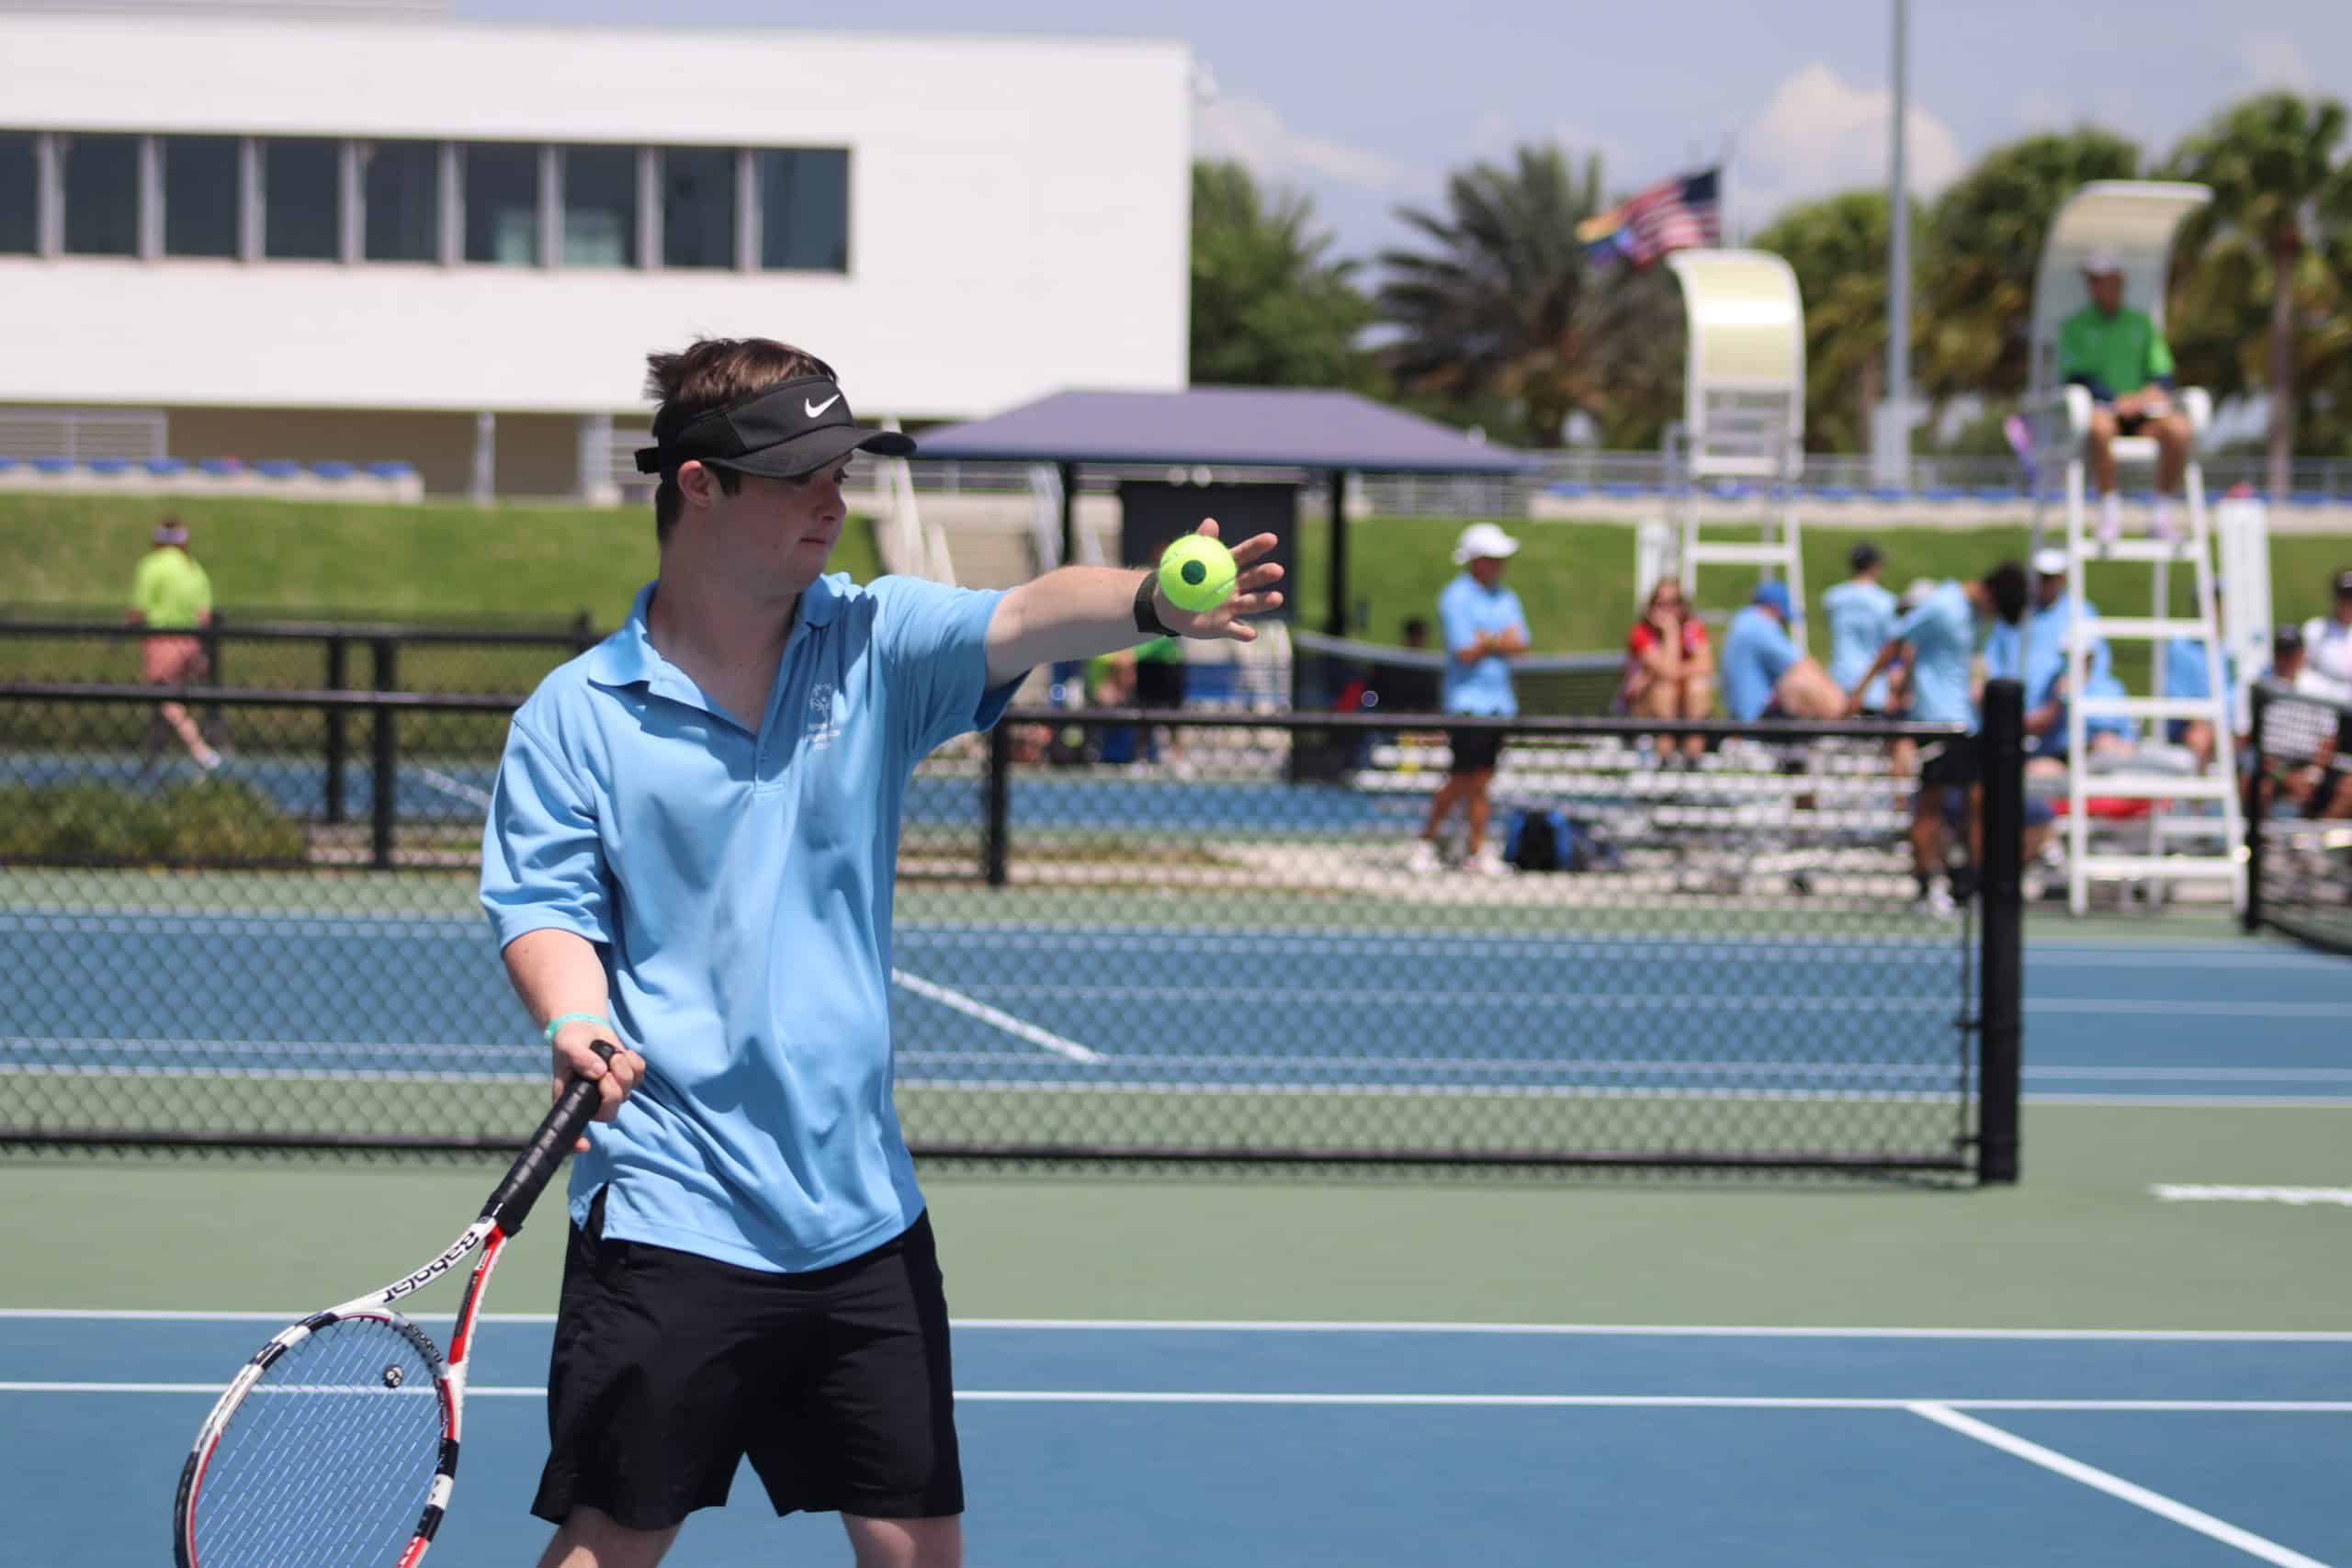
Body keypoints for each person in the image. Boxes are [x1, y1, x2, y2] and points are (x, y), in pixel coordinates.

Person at [480, 336, 1283, 1568]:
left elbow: (1023, 616)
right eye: (801, 472)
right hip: (671, 1208)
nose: (832, 498)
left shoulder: (876, 643)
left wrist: (1154, 603)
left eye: (842, 469)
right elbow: (544, 906)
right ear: (700, 485)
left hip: (861, 1209)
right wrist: (570, 1014)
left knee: (916, 1544)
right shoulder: (577, 714)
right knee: (612, 1542)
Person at [1847, 562, 2052, 914]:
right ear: (1988, 593)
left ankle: (1971, 881)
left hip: (1966, 724)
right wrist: (1860, 693)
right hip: (1936, 723)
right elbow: (1898, 642)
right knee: (1930, 804)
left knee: (1977, 802)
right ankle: (1927, 882)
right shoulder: (1942, 605)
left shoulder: (1973, 616)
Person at [1409, 522, 1528, 876]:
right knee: (1462, 778)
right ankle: (1426, 842)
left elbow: (1520, 644)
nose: (1499, 564)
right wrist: (1498, 641)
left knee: (1482, 780)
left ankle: (1475, 850)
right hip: (1465, 703)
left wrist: (1487, 642)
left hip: (1500, 704)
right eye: (1492, 558)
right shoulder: (1455, 596)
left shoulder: (1507, 597)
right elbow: (1465, 651)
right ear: (1476, 560)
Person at [2058, 246, 2190, 550]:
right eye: (2091, 280)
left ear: (2118, 280)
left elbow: (2162, 374)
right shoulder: (2074, 327)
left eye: (2101, 279)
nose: (2095, 286)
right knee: (2100, 428)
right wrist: (2118, 400)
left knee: (2179, 430)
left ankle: (2161, 517)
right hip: (2104, 412)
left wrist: (2142, 398)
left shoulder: (2141, 324)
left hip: (2144, 414)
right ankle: (2109, 515)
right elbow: (2077, 377)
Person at [1984, 549, 2134, 772]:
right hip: (2041, 739)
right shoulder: (2017, 613)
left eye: (2049, 577)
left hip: (2082, 743)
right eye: (2039, 576)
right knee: (2037, 772)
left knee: (2107, 751)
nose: (2043, 584)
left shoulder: (2081, 613)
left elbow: (2120, 737)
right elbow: (1992, 665)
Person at [125, 516, 221, 773]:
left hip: (162, 639)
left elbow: (139, 607)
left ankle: (200, 751)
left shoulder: (152, 565)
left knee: (165, 700)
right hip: (190, 639)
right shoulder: (193, 567)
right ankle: (156, 756)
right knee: (176, 699)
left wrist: (126, 629)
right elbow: (204, 615)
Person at [1717, 580, 1844, 723]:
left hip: (1739, 714)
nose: (1783, 627)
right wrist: (1840, 703)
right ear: (1774, 609)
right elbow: (1802, 666)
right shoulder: (1760, 625)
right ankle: (1842, 725)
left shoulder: (1742, 620)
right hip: (1756, 718)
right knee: (1803, 679)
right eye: (1783, 620)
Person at [1620, 576, 1713, 764]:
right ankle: (1664, 758)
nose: (1667, 610)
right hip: (1642, 710)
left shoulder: (1692, 628)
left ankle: (1693, 759)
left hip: (1684, 707)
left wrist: (1678, 671)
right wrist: (1671, 632)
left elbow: (1706, 665)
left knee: (1697, 686)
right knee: (1665, 687)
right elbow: (1666, 672)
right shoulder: (1642, 633)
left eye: (1673, 603)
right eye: (1660, 604)